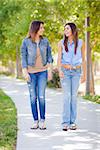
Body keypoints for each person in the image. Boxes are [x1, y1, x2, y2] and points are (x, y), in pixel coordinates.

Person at [20, 20, 53, 130]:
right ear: (35, 29)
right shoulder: (26, 42)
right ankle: (35, 121)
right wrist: (25, 72)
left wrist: (50, 71)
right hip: (31, 73)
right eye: (41, 28)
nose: (43, 29)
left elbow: (49, 57)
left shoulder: (45, 41)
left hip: (42, 72)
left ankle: (42, 120)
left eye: (43, 27)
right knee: (33, 97)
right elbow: (23, 57)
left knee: (41, 96)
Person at [57, 23, 86, 131]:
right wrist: (59, 70)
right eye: (64, 29)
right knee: (67, 96)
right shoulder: (61, 43)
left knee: (73, 97)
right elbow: (59, 59)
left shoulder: (81, 43)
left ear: (73, 30)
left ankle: (72, 122)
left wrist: (84, 74)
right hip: (65, 72)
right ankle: (65, 123)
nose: (65, 30)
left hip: (76, 72)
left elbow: (83, 59)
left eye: (67, 28)